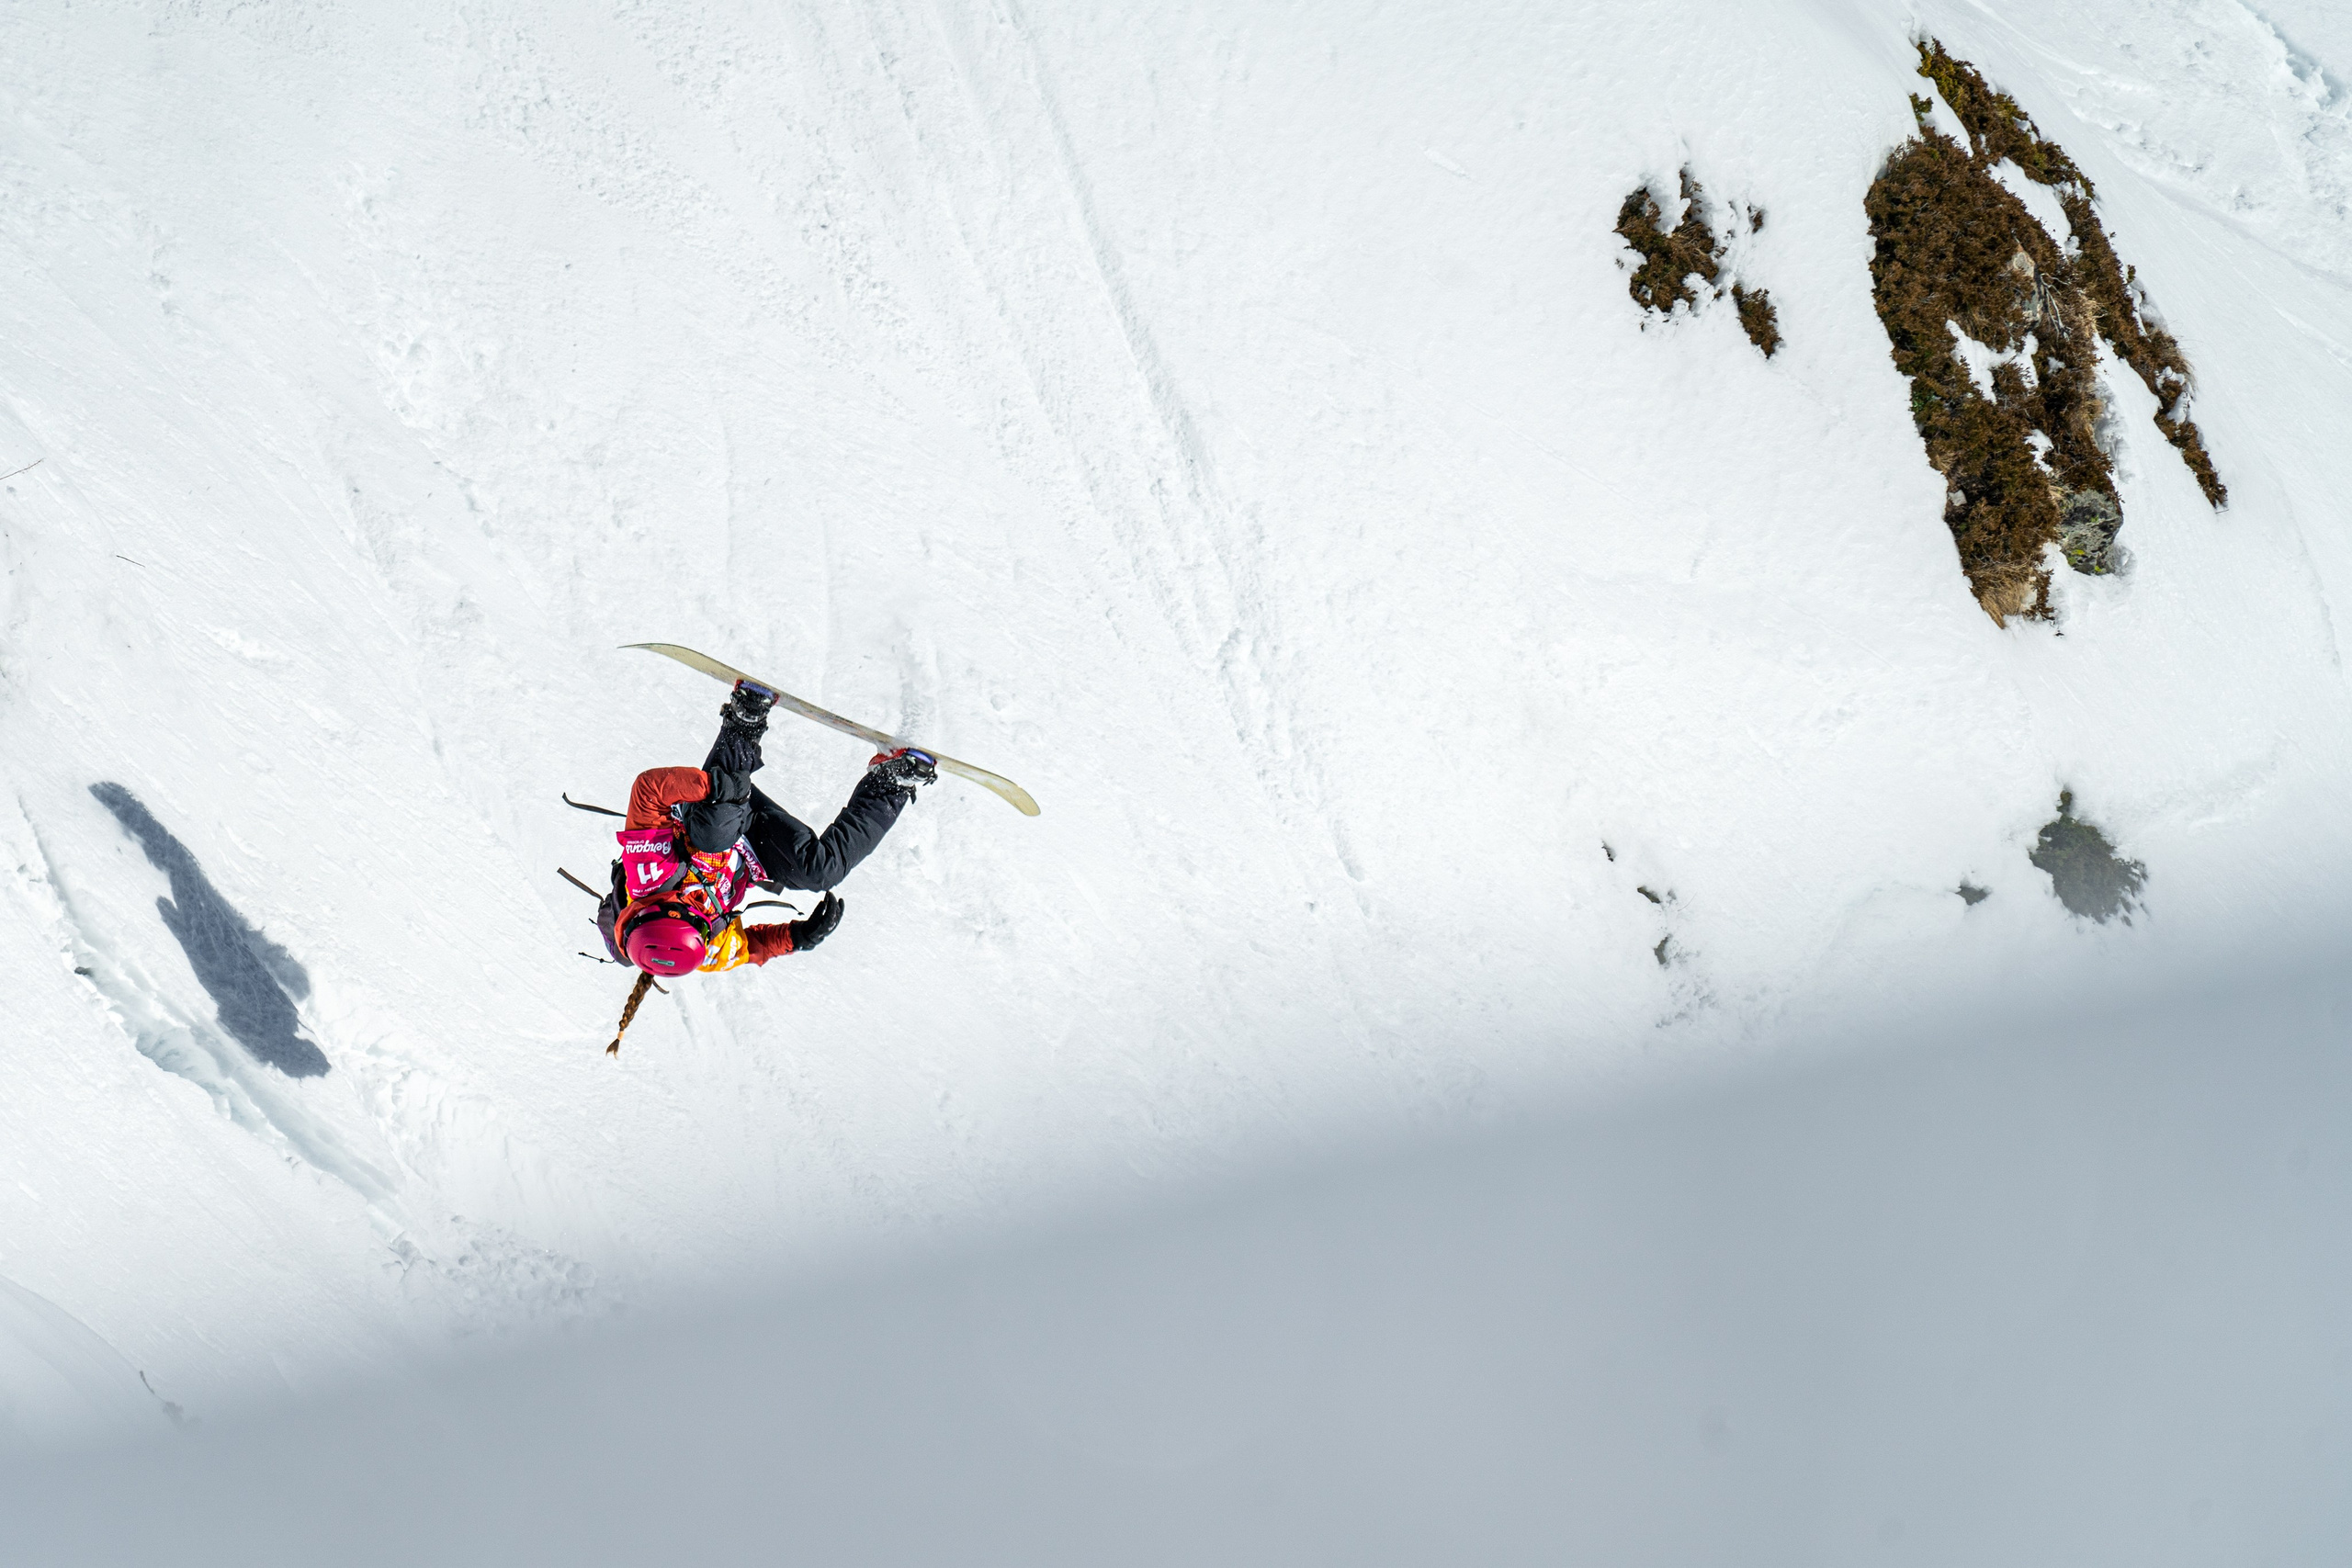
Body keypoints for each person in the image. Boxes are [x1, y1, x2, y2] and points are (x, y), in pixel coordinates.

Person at [597, 681, 935, 1053]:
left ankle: (744, 720)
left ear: (655, 909)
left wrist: (711, 787)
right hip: (750, 844)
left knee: (714, 836)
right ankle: (892, 781)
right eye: (696, 917)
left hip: (711, 805)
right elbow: (751, 946)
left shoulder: (649, 875)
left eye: (680, 909)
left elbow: (648, 790)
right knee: (820, 872)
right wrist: (798, 937)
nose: (693, 907)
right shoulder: (708, 948)